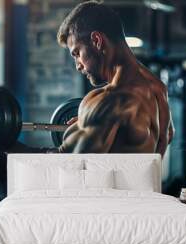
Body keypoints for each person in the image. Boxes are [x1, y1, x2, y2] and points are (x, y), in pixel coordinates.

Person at [11, 1, 174, 157]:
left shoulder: (111, 101)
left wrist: (5, 144)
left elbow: (65, 162)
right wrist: (91, 124)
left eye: (77, 54)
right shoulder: (158, 88)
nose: (78, 65)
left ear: (97, 40)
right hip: (148, 186)